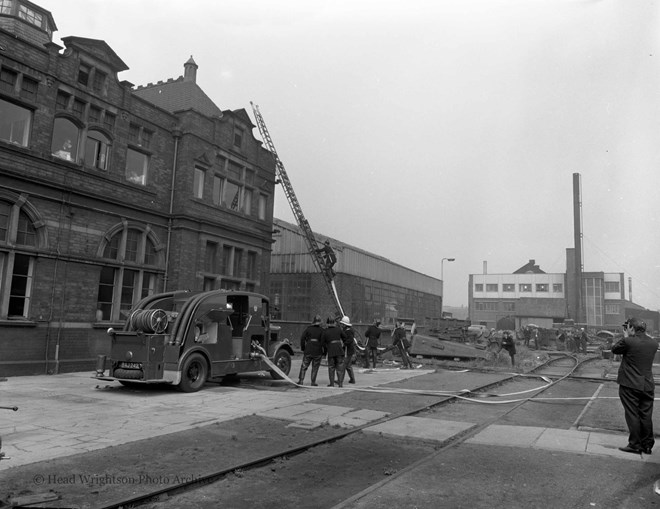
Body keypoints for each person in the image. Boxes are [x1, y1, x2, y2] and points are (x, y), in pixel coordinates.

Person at [612, 317, 659, 455]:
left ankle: (635, 445)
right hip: (648, 385)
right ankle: (648, 445)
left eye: (627, 327)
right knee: (646, 415)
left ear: (631, 328)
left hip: (630, 385)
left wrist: (626, 336)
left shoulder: (628, 341)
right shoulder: (653, 343)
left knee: (632, 414)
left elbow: (615, 349)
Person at [297, 314, 324, 386]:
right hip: (318, 351)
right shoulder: (322, 330)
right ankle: (313, 382)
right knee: (315, 367)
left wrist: (303, 348)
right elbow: (323, 341)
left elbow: (302, 338)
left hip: (308, 349)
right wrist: (324, 351)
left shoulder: (308, 329)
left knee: (304, 366)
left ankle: (301, 380)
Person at [321, 317, 346, 387]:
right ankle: (340, 384)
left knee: (331, 368)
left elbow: (322, 343)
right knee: (340, 367)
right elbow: (345, 337)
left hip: (331, 351)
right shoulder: (339, 329)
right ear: (334, 323)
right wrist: (342, 345)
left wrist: (326, 350)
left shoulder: (325, 331)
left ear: (327, 323)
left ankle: (332, 383)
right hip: (339, 350)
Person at [339, 315, 356, 384]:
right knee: (348, 366)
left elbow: (350, 340)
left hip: (347, 350)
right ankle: (352, 379)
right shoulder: (348, 330)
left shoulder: (348, 331)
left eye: (342, 324)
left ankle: (340, 380)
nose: (341, 325)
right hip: (348, 350)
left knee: (343, 365)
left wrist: (344, 344)